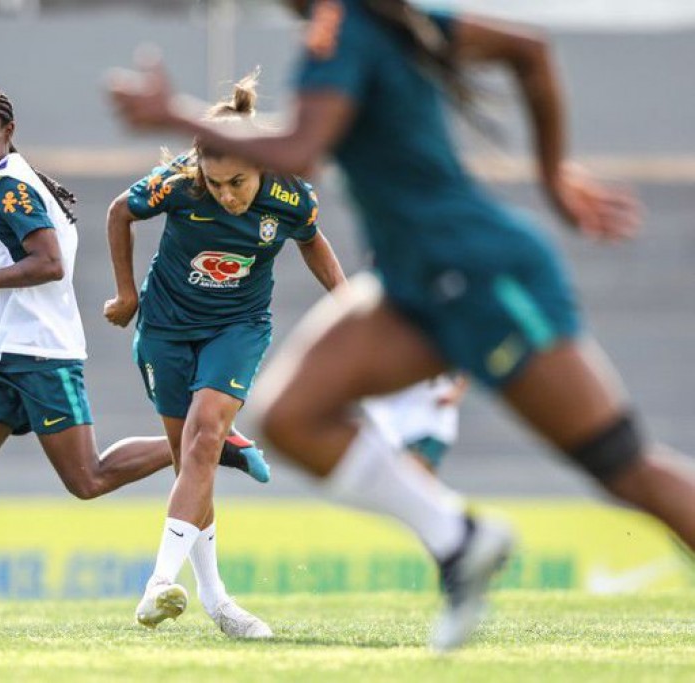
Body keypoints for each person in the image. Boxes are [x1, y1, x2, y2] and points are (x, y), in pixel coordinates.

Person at [108, 0, 695, 652]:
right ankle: (459, 539)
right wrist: (552, 174)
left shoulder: (342, 26)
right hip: (413, 283)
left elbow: (301, 146)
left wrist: (174, 115)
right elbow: (526, 50)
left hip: (474, 269)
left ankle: (458, 538)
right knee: (292, 415)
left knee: (623, 466)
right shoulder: (386, 19)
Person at [0, 85, 268, 630]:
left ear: (8, 133)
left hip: (41, 355)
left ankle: (212, 443)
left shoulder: (8, 189)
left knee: (89, 480)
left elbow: (50, 262)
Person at [104, 72, 347, 639]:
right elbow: (120, 211)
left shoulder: (290, 193)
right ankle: (219, 604)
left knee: (204, 438)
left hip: (238, 327)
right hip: (165, 328)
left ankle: (158, 583)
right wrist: (126, 294)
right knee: (192, 459)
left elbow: (313, 240)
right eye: (216, 186)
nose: (227, 195)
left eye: (237, 182)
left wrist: (349, 303)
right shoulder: (180, 184)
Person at [364, 374, 468, 474]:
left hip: (434, 430)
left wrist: (455, 392)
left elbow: (452, 394)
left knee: (420, 469)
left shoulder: (442, 375)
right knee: (414, 472)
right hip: (407, 431)